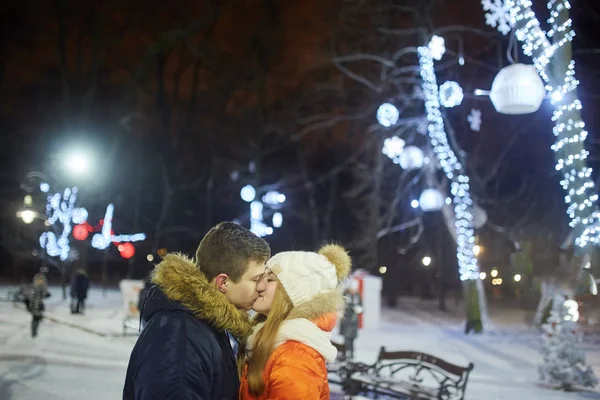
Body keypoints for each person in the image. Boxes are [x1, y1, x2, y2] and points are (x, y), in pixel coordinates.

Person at [123, 222, 270, 400]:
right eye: (256, 279)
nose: (262, 287)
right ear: (223, 282)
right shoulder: (179, 336)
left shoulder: (206, 322)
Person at [239, 244, 351, 400]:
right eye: (262, 277)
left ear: (293, 295)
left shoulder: (295, 358)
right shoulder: (272, 343)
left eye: (270, 279)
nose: (260, 285)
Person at [340, 279, 363, 360]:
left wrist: (360, 309)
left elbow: (361, 305)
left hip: (354, 321)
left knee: (352, 339)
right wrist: (353, 307)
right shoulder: (345, 294)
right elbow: (344, 305)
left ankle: (352, 354)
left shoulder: (357, 295)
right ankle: (345, 353)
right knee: (346, 339)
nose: (353, 291)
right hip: (346, 321)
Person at [26, 273, 50, 338]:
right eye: (38, 280)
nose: (40, 281)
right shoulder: (34, 288)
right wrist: (30, 306)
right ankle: (34, 333)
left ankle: (35, 332)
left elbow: (43, 295)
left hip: (39, 305)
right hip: (34, 305)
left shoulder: (42, 287)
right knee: (35, 319)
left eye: (41, 280)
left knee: (37, 318)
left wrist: (46, 295)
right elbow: (31, 297)